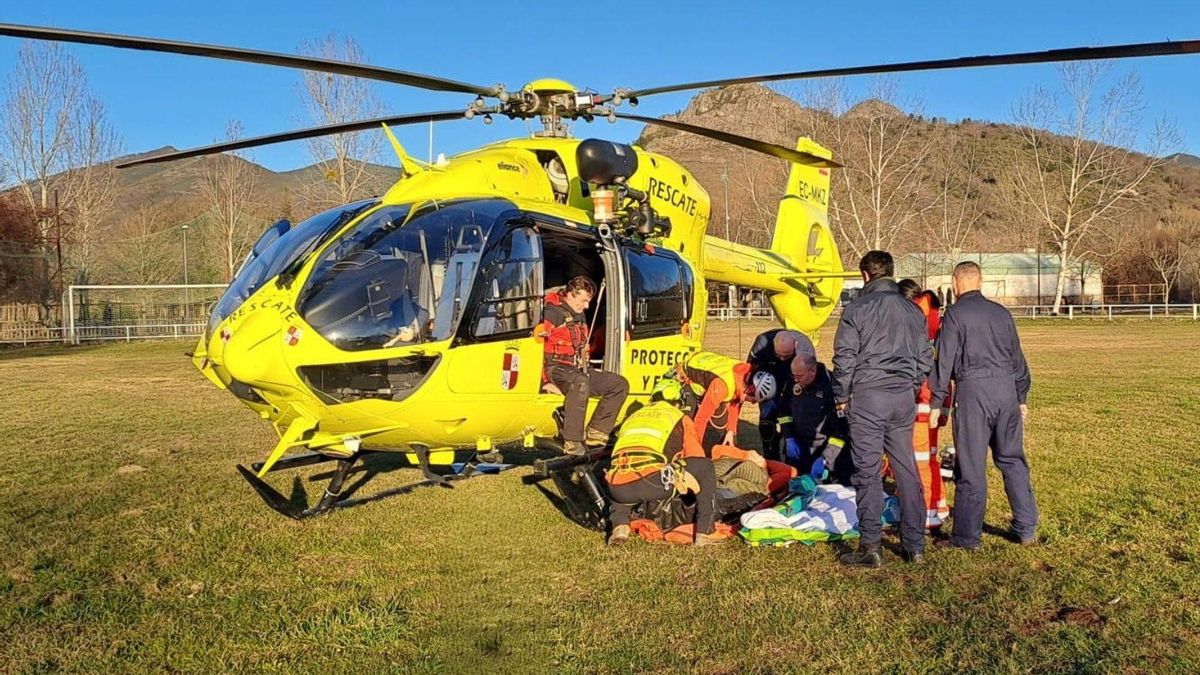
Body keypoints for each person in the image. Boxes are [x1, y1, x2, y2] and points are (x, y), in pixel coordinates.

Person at [831, 251, 933, 567]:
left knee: (868, 471)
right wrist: (910, 384)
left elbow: (844, 357)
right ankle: (914, 545)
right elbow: (925, 357)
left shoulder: (857, 308)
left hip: (868, 396)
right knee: (905, 468)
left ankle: (871, 546)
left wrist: (841, 395)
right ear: (890, 272)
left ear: (865, 275)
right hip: (902, 396)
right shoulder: (913, 310)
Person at [929, 261, 1038, 550]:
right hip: (1005, 390)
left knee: (971, 465)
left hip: (973, 392)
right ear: (981, 281)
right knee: (1012, 459)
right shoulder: (1002, 313)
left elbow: (944, 361)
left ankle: (966, 537)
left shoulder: (954, 315)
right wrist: (1020, 397)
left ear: (955, 282)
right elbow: (1017, 359)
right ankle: (1026, 528)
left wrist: (938, 402)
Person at [605, 379, 736, 546]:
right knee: (705, 467)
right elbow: (696, 457)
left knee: (626, 472)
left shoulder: (633, 417)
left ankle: (620, 526)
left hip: (617, 489)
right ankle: (706, 531)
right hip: (652, 483)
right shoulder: (678, 417)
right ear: (677, 402)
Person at [539, 276, 629, 455]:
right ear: (571, 295)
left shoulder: (578, 314)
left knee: (619, 384)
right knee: (580, 382)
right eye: (584, 300)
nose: (587, 306)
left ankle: (597, 431)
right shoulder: (551, 313)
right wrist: (543, 383)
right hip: (554, 368)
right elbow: (535, 349)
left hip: (577, 369)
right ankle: (572, 441)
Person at [897, 281, 951, 529]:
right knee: (927, 459)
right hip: (933, 401)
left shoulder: (912, 324)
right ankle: (935, 505)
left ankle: (928, 511)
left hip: (920, 402)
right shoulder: (930, 323)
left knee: (919, 461)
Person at [675, 351, 775, 446]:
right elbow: (701, 419)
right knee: (686, 429)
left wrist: (731, 430)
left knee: (724, 434)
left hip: (708, 373)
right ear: (749, 390)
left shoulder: (743, 373)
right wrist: (695, 454)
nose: (753, 403)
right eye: (754, 400)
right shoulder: (722, 386)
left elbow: (735, 402)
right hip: (686, 379)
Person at [779, 353, 851, 483]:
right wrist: (789, 436)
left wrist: (827, 457)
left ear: (812, 371)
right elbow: (784, 410)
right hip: (797, 448)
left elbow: (841, 429)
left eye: (799, 376)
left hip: (821, 450)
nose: (795, 380)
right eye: (793, 376)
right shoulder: (793, 380)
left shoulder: (832, 388)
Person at [746, 329, 808, 460]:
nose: (782, 359)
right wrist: (750, 386)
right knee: (767, 422)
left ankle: (791, 457)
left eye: (786, 356)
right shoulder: (762, 342)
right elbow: (750, 367)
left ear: (795, 345)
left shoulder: (805, 349)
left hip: (794, 377)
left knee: (794, 417)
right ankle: (770, 455)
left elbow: (809, 378)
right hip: (769, 378)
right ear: (772, 344)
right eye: (779, 355)